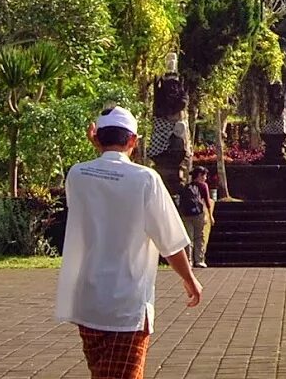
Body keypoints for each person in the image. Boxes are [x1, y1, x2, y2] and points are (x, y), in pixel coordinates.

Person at [56, 106, 202, 379]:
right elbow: (169, 242)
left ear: (96, 138)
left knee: (101, 373)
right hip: (127, 306)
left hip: (88, 302)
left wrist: (98, 146)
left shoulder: (76, 175)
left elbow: (100, 176)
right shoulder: (145, 179)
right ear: (133, 141)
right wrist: (189, 278)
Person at [178, 165, 213, 268]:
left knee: (188, 238)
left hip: (185, 215)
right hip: (198, 214)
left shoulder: (186, 186)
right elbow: (207, 201)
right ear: (199, 175)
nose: (205, 178)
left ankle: (188, 261)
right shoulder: (203, 186)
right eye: (204, 175)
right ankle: (199, 260)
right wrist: (210, 216)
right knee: (199, 237)